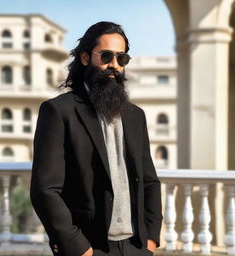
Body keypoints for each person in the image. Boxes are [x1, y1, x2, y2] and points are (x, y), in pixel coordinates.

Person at [30, 21, 162, 256]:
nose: (114, 65)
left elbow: (149, 180)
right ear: (85, 58)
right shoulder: (58, 111)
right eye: (106, 56)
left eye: (122, 58)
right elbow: (45, 189)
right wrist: (77, 246)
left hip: (136, 247)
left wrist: (151, 238)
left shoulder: (135, 116)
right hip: (89, 247)